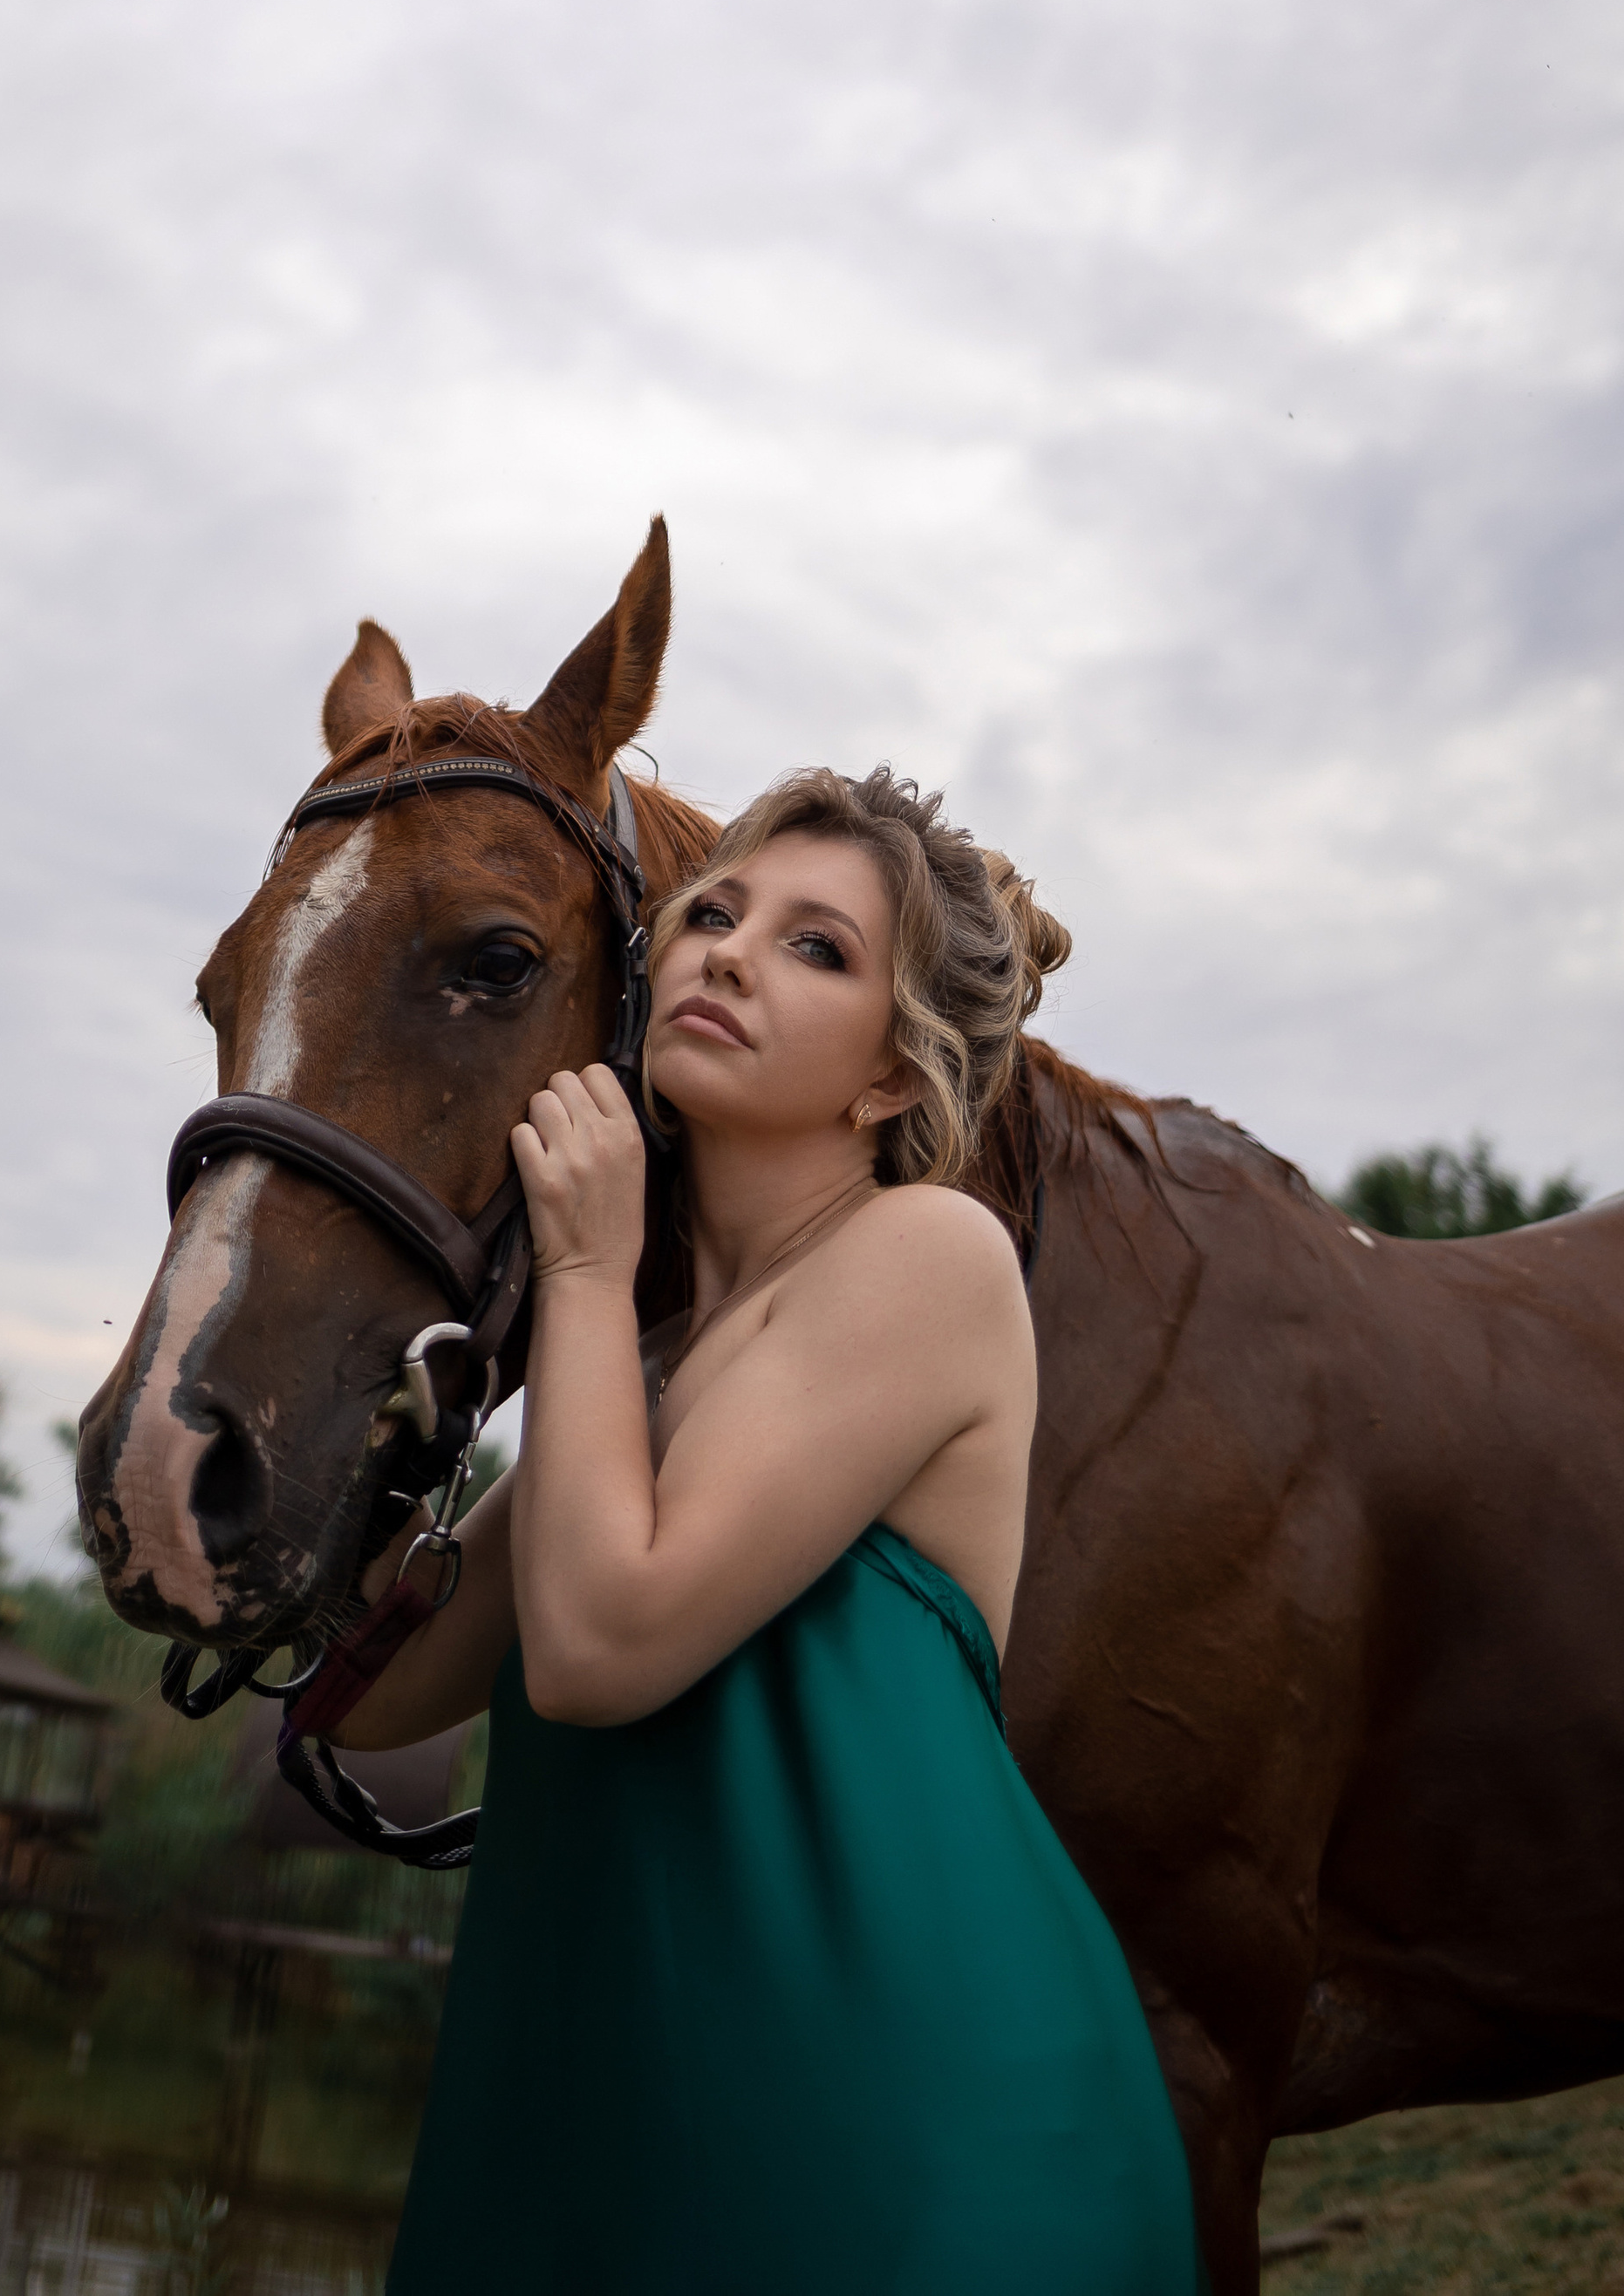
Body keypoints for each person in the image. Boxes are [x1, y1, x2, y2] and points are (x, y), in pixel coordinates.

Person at [336, 765, 1204, 2295]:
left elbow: (601, 1643)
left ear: (888, 1080)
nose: (730, 951)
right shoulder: (650, 1376)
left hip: (902, 2143)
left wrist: (589, 1274)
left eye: (819, 947)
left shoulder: (929, 1254)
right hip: (619, 2121)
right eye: (713, 914)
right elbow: (373, 1699)